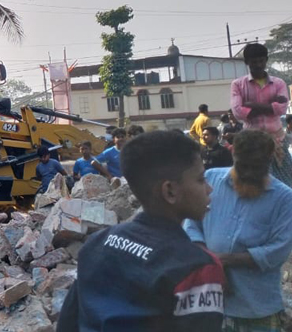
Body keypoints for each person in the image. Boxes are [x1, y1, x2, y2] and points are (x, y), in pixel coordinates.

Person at [57, 130, 224, 331]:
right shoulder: (197, 268)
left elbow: (67, 322)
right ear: (170, 191)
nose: (209, 188)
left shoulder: (97, 243)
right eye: (200, 179)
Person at [184, 130, 292, 332]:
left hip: (257, 307)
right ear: (234, 155)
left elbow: (277, 250)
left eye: (257, 166)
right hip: (208, 303)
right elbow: (191, 224)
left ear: (270, 159)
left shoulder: (285, 198)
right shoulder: (211, 180)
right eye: (244, 166)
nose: (250, 173)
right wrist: (210, 261)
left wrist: (222, 261)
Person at [231, 43, 290, 185]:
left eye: (261, 61)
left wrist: (251, 106)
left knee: (286, 184)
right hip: (252, 144)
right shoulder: (238, 84)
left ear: (266, 60)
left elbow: (282, 108)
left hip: (278, 142)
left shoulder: (279, 83)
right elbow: (238, 112)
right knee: (255, 185)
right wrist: (271, 104)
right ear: (246, 62)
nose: (258, 65)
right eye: (254, 62)